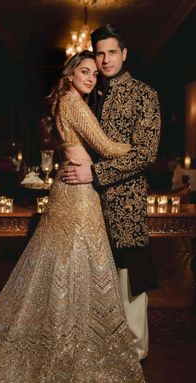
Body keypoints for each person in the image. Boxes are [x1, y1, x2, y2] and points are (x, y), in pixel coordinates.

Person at [0, 51, 144, 383]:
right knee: (74, 263)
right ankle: (64, 350)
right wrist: (140, 150)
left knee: (67, 264)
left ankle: (75, 344)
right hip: (77, 197)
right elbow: (106, 148)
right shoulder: (73, 103)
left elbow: (93, 152)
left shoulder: (67, 102)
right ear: (70, 73)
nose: (92, 77)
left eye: (95, 72)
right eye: (85, 70)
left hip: (75, 192)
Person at [62, 25, 161, 361]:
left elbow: (145, 154)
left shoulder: (144, 94)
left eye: (111, 52)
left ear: (124, 54)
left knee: (129, 275)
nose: (105, 60)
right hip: (87, 202)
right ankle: (101, 349)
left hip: (125, 203)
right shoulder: (90, 93)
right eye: (99, 53)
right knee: (93, 276)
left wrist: (96, 172)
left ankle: (133, 353)